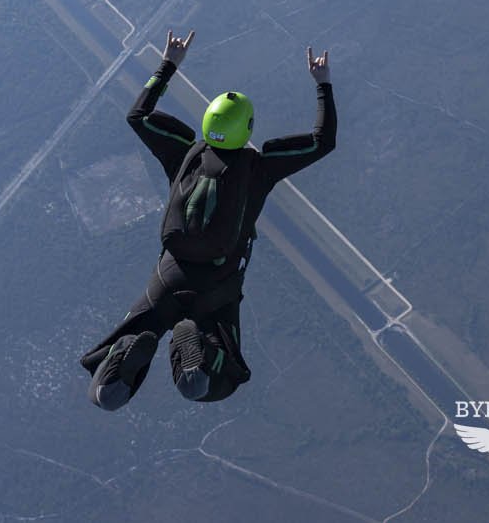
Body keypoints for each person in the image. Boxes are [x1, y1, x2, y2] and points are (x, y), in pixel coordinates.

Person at [81, 32, 337, 410]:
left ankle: (122, 357)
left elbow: (138, 115)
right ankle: (199, 350)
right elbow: (322, 141)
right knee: (222, 379)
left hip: (167, 278)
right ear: (246, 128)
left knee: (104, 391)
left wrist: (168, 64)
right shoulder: (258, 169)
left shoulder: (183, 154)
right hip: (217, 286)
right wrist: (323, 85)